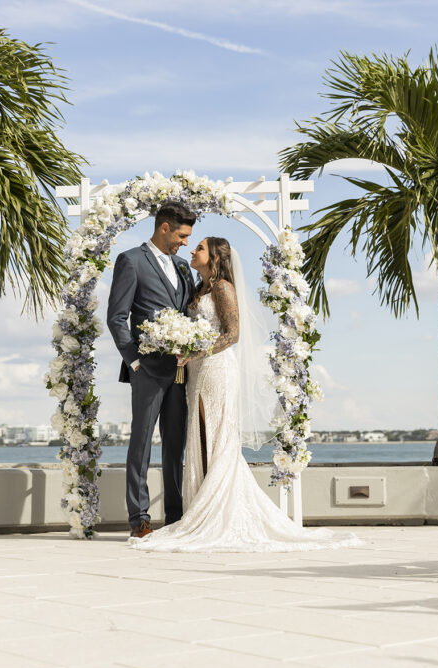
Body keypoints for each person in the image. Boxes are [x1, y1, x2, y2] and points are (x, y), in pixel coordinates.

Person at [130, 236, 361, 552]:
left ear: (214, 257)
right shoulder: (198, 289)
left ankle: (218, 512)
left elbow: (233, 334)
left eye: (200, 248)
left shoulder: (223, 288)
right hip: (195, 371)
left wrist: (196, 352)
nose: (193, 250)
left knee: (217, 438)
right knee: (201, 439)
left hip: (216, 369)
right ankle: (204, 509)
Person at [107, 201, 197, 539]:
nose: (185, 243)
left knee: (176, 446)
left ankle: (175, 517)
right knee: (141, 442)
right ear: (164, 227)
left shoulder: (183, 267)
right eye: (182, 236)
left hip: (181, 371)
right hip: (146, 369)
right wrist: (134, 361)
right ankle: (139, 519)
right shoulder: (131, 260)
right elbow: (117, 317)